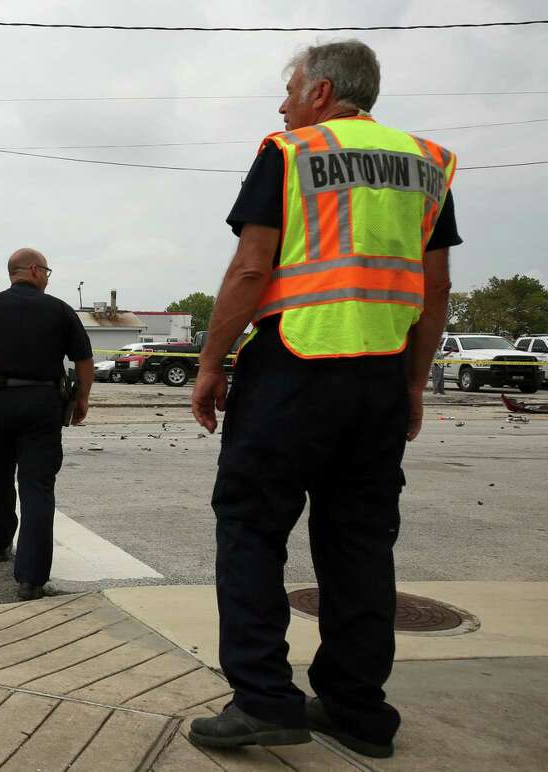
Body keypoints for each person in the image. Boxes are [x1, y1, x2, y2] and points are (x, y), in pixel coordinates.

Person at [188, 40, 460, 759]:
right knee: (360, 544)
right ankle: (356, 708)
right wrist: (411, 382)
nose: (280, 104)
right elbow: (435, 288)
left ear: (321, 92)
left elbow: (252, 268)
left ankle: (264, 698)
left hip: (295, 366)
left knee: (250, 527)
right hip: (378, 377)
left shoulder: (289, 153)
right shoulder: (428, 163)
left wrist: (211, 363)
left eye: (288, 89)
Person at [0, 248, 94, 600]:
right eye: (47, 270)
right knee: (37, 487)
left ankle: (0, 542)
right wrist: (83, 398)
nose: (47, 276)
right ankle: (31, 579)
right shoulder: (60, 310)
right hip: (43, 407)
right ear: (33, 270)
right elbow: (84, 360)